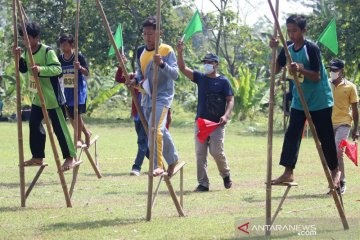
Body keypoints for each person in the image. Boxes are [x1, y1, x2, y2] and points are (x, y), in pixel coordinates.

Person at [269, 14, 341, 188]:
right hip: (300, 101)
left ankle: (335, 171)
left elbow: (316, 76)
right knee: (292, 134)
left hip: (320, 101)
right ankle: (288, 172)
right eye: (289, 31)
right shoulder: (287, 49)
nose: (291, 34)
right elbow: (275, 70)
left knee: (325, 137)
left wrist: (301, 68)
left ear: (303, 30)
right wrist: (273, 49)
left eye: (295, 31)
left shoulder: (312, 48)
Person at [15, 22, 76, 171]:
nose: (25, 41)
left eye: (28, 37)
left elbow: (57, 69)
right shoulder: (26, 52)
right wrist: (17, 57)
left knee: (59, 129)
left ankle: (70, 158)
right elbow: (23, 69)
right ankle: (37, 156)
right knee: (34, 124)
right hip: (37, 97)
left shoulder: (47, 51)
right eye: (23, 38)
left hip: (53, 98)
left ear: (36, 37)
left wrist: (40, 69)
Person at [177, 41, 234, 192]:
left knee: (216, 151)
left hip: (217, 124)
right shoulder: (200, 78)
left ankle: (225, 174)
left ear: (216, 64)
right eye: (205, 63)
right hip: (201, 122)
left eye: (209, 62)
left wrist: (226, 115)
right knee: (200, 153)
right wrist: (180, 52)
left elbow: (230, 100)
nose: (206, 65)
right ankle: (203, 183)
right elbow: (182, 68)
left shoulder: (224, 81)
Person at [127, 16, 179, 177]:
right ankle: (173, 159)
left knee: (154, 129)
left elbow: (175, 74)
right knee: (159, 130)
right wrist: (134, 80)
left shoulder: (166, 50)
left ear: (159, 33)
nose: (147, 37)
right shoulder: (141, 52)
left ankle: (158, 165)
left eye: (150, 34)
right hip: (147, 98)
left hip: (162, 97)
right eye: (145, 34)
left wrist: (162, 64)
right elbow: (140, 73)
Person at [328, 59, 359, 194]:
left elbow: (355, 109)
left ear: (341, 71)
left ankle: (342, 181)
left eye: (335, 70)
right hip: (328, 123)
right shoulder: (326, 85)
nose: (332, 72)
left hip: (344, 123)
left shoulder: (350, 87)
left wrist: (356, 129)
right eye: (331, 69)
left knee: (337, 151)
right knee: (330, 154)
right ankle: (333, 184)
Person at [115, 61, 149, 176]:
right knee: (145, 144)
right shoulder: (134, 76)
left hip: (148, 115)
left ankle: (136, 167)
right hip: (137, 115)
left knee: (142, 141)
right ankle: (158, 165)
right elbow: (119, 78)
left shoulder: (154, 77)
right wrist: (121, 65)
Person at [58, 33, 91, 148]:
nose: (63, 47)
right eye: (61, 45)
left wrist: (80, 68)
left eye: (65, 44)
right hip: (66, 91)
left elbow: (87, 73)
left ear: (71, 45)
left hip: (78, 91)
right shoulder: (60, 59)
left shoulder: (78, 57)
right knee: (71, 116)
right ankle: (86, 133)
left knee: (76, 113)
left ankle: (78, 138)